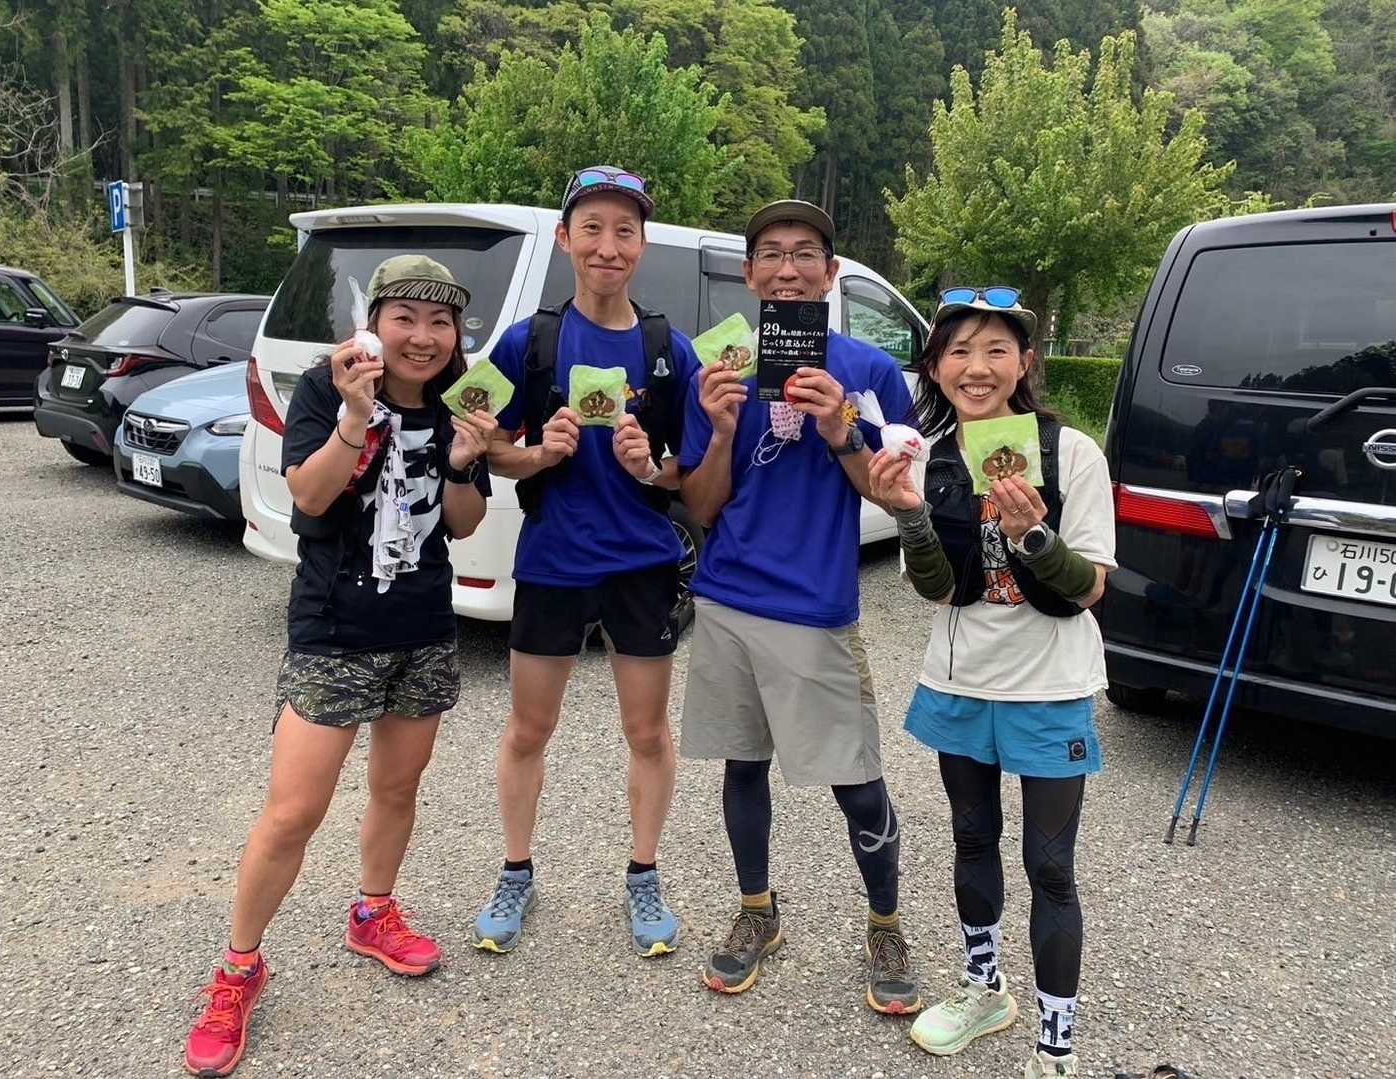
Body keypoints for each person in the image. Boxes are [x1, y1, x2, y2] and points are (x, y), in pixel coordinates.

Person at [182, 256, 494, 1077]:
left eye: (439, 322)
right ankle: (238, 968)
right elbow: (311, 496)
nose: (423, 337)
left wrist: (463, 461)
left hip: (422, 628)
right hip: (334, 627)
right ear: (374, 324)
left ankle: (372, 911)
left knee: (397, 788)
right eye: (405, 318)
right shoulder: (330, 387)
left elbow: (463, 523)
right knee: (292, 812)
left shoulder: (460, 400)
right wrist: (357, 416)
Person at [678, 199, 922, 1015]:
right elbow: (701, 506)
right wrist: (719, 430)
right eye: (772, 254)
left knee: (856, 779)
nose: (788, 268)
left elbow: (890, 489)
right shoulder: (720, 368)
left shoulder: (869, 372)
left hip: (817, 605)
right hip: (726, 597)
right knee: (741, 765)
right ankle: (757, 909)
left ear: (830, 272)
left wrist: (839, 424)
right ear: (749, 275)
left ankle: (884, 923)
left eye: (805, 253)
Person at [868, 287, 1116, 1079]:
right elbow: (940, 589)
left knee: (1050, 864)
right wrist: (909, 511)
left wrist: (1031, 534)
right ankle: (984, 987)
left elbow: (1088, 588)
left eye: (995, 350)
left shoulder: (1071, 453)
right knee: (971, 839)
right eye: (958, 351)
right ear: (934, 367)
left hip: (1049, 687)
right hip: (960, 681)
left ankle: (1056, 1045)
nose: (976, 368)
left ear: (1025, 363)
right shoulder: (928, 457)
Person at [474, 165, 701, 958]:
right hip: (552, 559)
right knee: (528, 727)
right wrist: (537, 454)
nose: (608, 246)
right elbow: (482, 442)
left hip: (641, 563)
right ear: (565, 238)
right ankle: (515, 871)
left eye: (624, 231)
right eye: (593, 228)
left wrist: (651, 467)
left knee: (647, 731)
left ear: (642, 245)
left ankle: (643, 874)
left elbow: (690, 472)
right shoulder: (526, 341)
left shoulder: (669, 350)